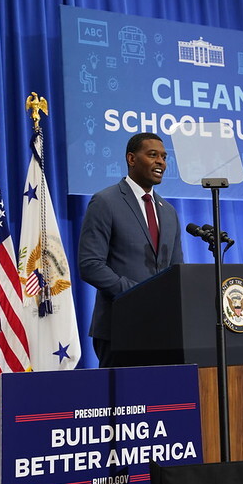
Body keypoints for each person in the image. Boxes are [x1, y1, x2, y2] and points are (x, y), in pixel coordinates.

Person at [79, 132, 184, 366]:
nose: (161, 162)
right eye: (153, 155)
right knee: (125, 402)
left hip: (162, 333)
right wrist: (136, 294)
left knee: (162, 402)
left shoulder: (168, 212)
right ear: (131, 159)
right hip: (119, 329)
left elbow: (177, 271)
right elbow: (90, 265)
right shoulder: (105, 201)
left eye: (164, 157)